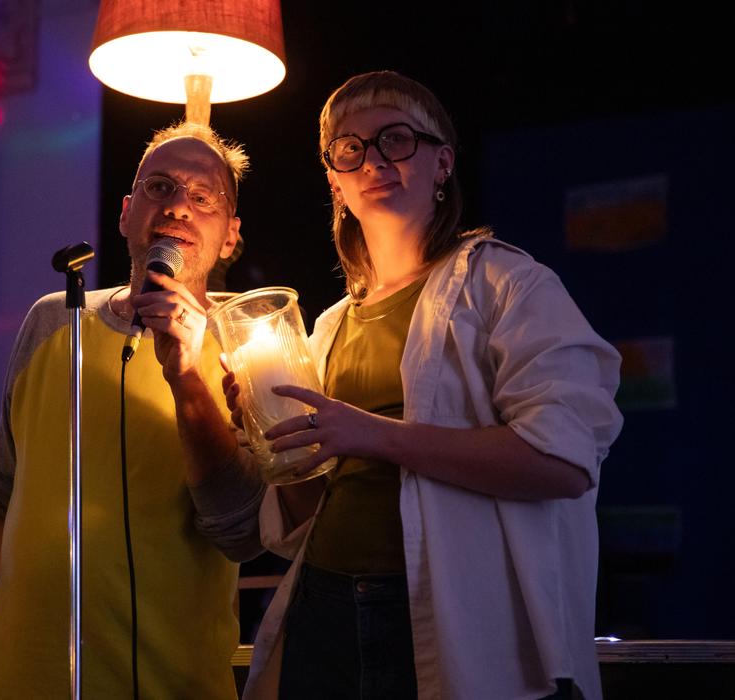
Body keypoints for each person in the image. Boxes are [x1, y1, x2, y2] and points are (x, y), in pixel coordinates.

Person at [219, 71, 624, 699]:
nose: (373, 160)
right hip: (323, 608)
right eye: (350, 148)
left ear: (443, 163)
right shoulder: (327, 328)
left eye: (397, 139)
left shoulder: (507, 285)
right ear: (334, 181)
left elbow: (562, 461)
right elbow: (300, 516)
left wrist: (371, 434)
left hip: (447, 616)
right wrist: (271, 437)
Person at [0, 121, 265, 700]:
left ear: (230, 236)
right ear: (126, 213)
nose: (178, 206)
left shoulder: (248, 349)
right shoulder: (53, 320)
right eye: (159, 187)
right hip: (15, 682)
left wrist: (187, 379)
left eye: (204, 198)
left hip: (171, 684)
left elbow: (242, 532)